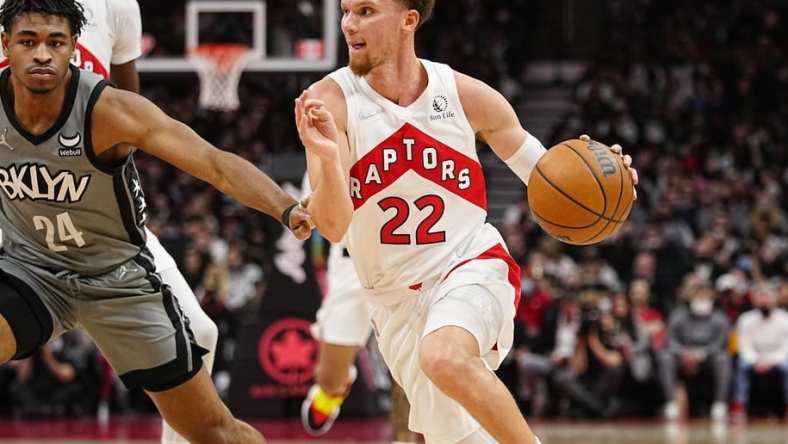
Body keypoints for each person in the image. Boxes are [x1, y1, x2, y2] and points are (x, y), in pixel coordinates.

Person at [294, 1, 637, 441]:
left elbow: (547, 176)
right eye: (346, 11)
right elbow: (335, 226)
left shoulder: (463, 95)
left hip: (470, 265)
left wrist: (604, 176)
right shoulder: (330, 100)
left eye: (365, 11)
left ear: (408, 20)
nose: (348, 24)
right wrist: (325, 157)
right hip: (394, 300)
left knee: (443, 356)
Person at [0, 1, 311, 443]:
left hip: (116, 277)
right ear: (6, 44)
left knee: (216, 433)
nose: (42, 55)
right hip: (32, 269)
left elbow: (213, 163)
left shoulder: (111, 112)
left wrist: (285, 205)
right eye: (28, 42)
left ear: (73, 48)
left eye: (54, 43)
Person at [299, 174, 417, 442]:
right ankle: (335, 389)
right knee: (329, 379)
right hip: (349, 268)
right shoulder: (324, 146)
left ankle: (407, 436)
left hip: (404, 261)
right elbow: (312, 216)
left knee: (411, 368)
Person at [657, 281, 731, 422]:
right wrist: (684, 353)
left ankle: (719, 404)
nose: (702, 301)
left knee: (723, 358)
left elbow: (721, 342)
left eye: (705, 297)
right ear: (690, 298)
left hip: (708, 358)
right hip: (682, 357)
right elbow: (670, 340)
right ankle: (671, 403)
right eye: (698, 297)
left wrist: (700, 354)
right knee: (665, 357)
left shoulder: (720, 318)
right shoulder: (678, 315)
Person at [732, 281, 788, 421]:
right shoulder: (745, 319)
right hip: (754, 358)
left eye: (767, 297)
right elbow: (744, 345)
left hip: (778, 358)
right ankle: (740, 406)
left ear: (774, 299)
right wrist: (756, 361)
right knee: (742, 365)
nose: (764, 301)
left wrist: (770, 361)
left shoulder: (785, 319)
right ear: (754, 300)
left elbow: (786, 347)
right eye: (761, 297)